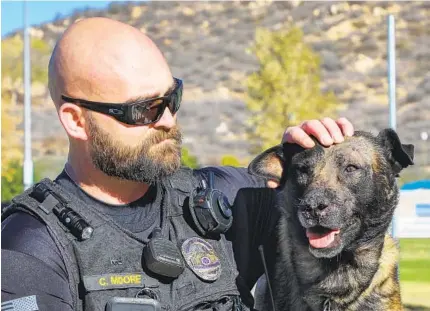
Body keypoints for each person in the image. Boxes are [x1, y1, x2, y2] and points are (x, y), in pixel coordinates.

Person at [1, 17, 354, 311]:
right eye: (144, 109)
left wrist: (308, 164)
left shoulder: (223, 197)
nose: (168, 120)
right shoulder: (30, 250)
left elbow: (343, 236)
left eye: (173, 97)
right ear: (76, 121)